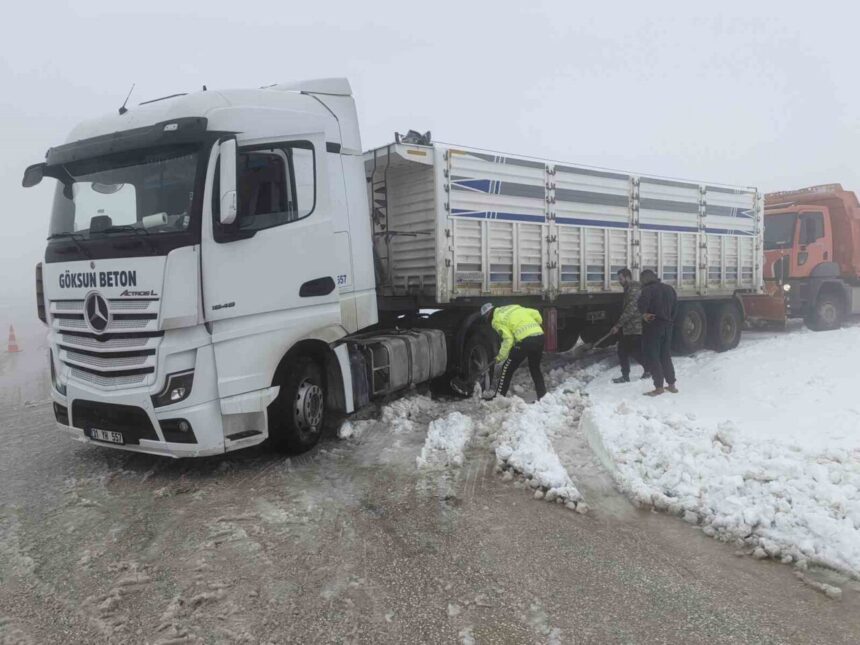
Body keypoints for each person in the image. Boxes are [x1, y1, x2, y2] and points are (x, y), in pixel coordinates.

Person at [481, 303, 547, 401]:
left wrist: (500, 357)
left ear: (487, 314)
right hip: (540, 337)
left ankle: (499, 398)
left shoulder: (496, 320)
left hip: (525, 341)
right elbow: (536, 313)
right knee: (535, 368)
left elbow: (508, 339)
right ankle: (543, 397)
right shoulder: (514, 307)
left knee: (506, 368)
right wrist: (535, 326)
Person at [637, 270, 678, 396]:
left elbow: (641, 307)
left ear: (644, 279)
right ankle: (671, 385)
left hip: (653, 327)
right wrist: (669, 320)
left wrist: (644, 315)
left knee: (653, 356)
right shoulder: (670, 289)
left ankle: (659, 387)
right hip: (668, 326)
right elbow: (675, 308)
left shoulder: (647, 290)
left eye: (641, 280)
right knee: (665, 355)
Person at [610, 268, 650, 383]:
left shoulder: (634, 289)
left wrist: (618, 325)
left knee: (634, 351)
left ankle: (648, 369)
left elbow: (630, 310)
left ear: (627, 277)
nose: (619, 281)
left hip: (635, 327)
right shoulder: (628, 288)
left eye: (621, 279)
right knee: (623, 351)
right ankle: (626, 376)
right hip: (629, 327)